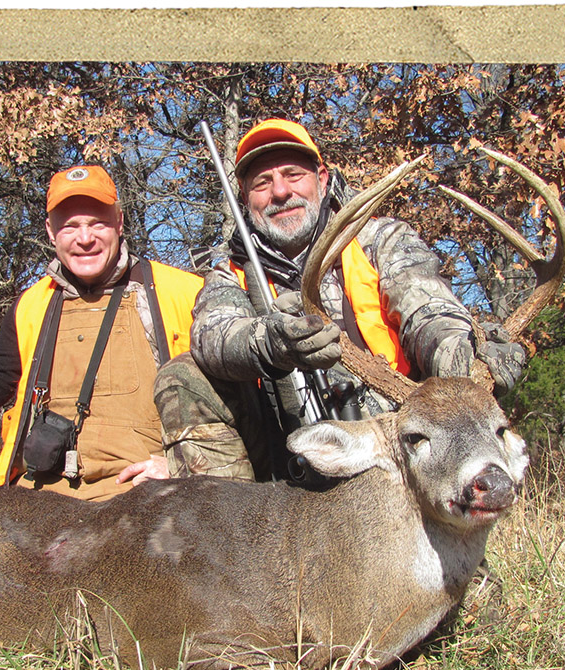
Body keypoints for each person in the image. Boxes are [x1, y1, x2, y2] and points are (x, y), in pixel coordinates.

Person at [155, 118, 526, 482]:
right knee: (183, 376)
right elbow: (213, 335)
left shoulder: (379, 240)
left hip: (391, 435)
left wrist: (458, 355)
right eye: (262, 183)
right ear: (245, 197)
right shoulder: (230, 272)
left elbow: (427, 310)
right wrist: (271, 343)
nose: (280, 192)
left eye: (293, 174)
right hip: (281, 447)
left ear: (323, 179)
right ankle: (229, 531)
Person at [0, 165, 203, 501]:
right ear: (50, 231)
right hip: (40, 502)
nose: (84, 239)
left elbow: (238, 408)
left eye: (97, 223)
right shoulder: (32, 305)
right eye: (70, 226)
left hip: (148, 499)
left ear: (119, 222)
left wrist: (179, 465)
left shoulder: (184, 294)